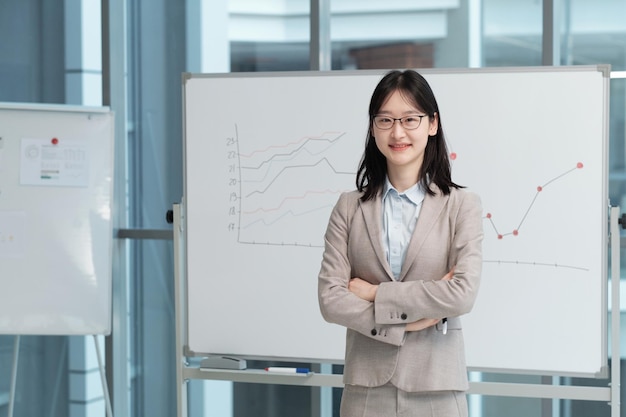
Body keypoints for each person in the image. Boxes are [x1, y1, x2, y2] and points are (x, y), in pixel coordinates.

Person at [318, 69, 483, 417]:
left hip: (437, 387)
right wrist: (411, 323)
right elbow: (331, 300)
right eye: (385, 120)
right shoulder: (349, 207)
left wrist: (375, 293)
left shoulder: (461, 206)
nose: (397, 132)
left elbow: (462, 294)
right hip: (365, 390)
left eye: (410, 119)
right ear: (373, 126)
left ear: (432, 124)